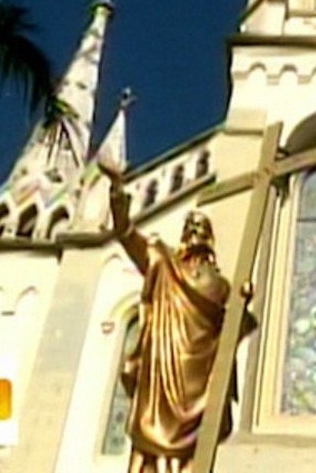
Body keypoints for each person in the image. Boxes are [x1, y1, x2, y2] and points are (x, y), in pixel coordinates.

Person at [108, 178, 255, 473]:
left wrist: (243, 305)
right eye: (192, 226)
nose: (197, 231)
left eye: (202, 228)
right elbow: (126, 234)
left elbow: (229, 334)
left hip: (198, 383)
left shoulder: (221, 286)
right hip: (161, 375)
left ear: (210, 239)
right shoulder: (163, 263)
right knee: (151, 457)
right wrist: (116, 193)